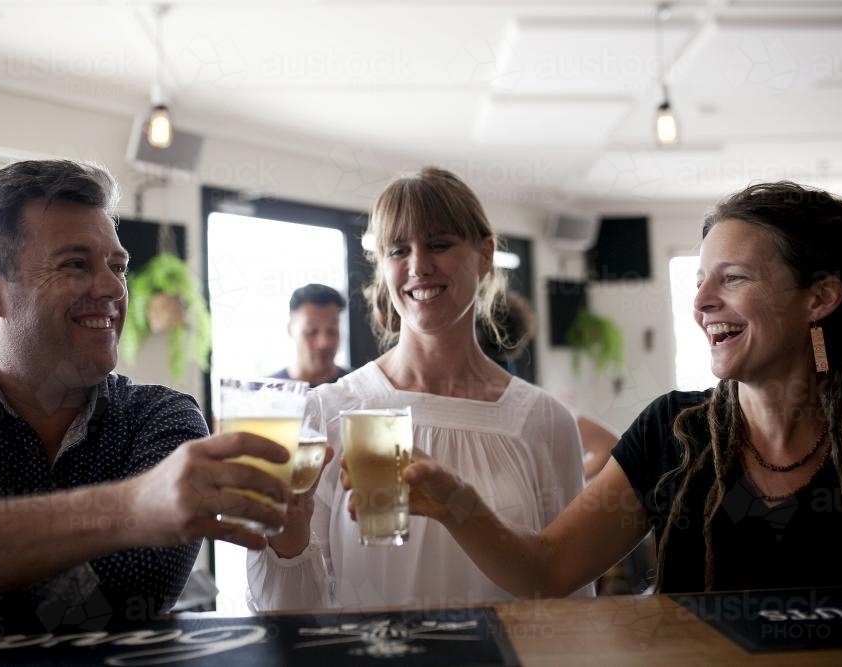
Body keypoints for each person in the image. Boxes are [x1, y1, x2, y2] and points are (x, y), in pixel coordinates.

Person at [395, 181, 842, 596]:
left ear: (820, 296)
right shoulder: (672, 432)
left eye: (732, 278)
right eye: (699, 282)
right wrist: (453, 502)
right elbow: (547, 571)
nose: (702, 303)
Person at [0, 160, 291, 625]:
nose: (114, 287)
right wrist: (136, 505)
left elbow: (135, 598)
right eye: (76, 265)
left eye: (118, 266)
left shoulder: (161, 416)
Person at [246, 167, 590, 610]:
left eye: (439, 244)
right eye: (398, 250)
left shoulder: (544, 421)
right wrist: (286, 539)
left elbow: (573, 599)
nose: (418, 266)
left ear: (485, 255)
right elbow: (292, 612)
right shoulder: (328, 410)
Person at [476, 290, 619, 481]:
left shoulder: (531, 404)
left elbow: (609, 447)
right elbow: (609, 447)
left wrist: (561, 489)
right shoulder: (534, 404)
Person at [270, 283, 351, 387]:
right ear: (290, 330)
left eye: (332, 331)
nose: (323, 343)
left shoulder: (357, 389)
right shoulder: (266, 392)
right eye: (311, 332)